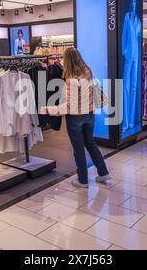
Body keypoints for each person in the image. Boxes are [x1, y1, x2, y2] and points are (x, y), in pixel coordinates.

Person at [40, 47, 110, 188]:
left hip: (75, 119)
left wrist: (46, 109)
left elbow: (68, 107)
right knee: (90, 143)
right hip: (89, 115)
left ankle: (82, 180)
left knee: (78, 148)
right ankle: (103, 172)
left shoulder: (71, 80)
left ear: (67, 60)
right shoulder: (87, 71)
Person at [121, 0, 142, 132]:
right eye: (132, 1)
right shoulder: (127, 17)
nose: (134, 4)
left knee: (134, 87)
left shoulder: (139, 20)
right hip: (129, 55)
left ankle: (131, 122)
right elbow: (124, 35)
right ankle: (125, 122)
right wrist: (124, 50)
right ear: (130, 3)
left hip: (137, 56)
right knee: (126, 87)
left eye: (135, 1)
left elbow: (139, 39)